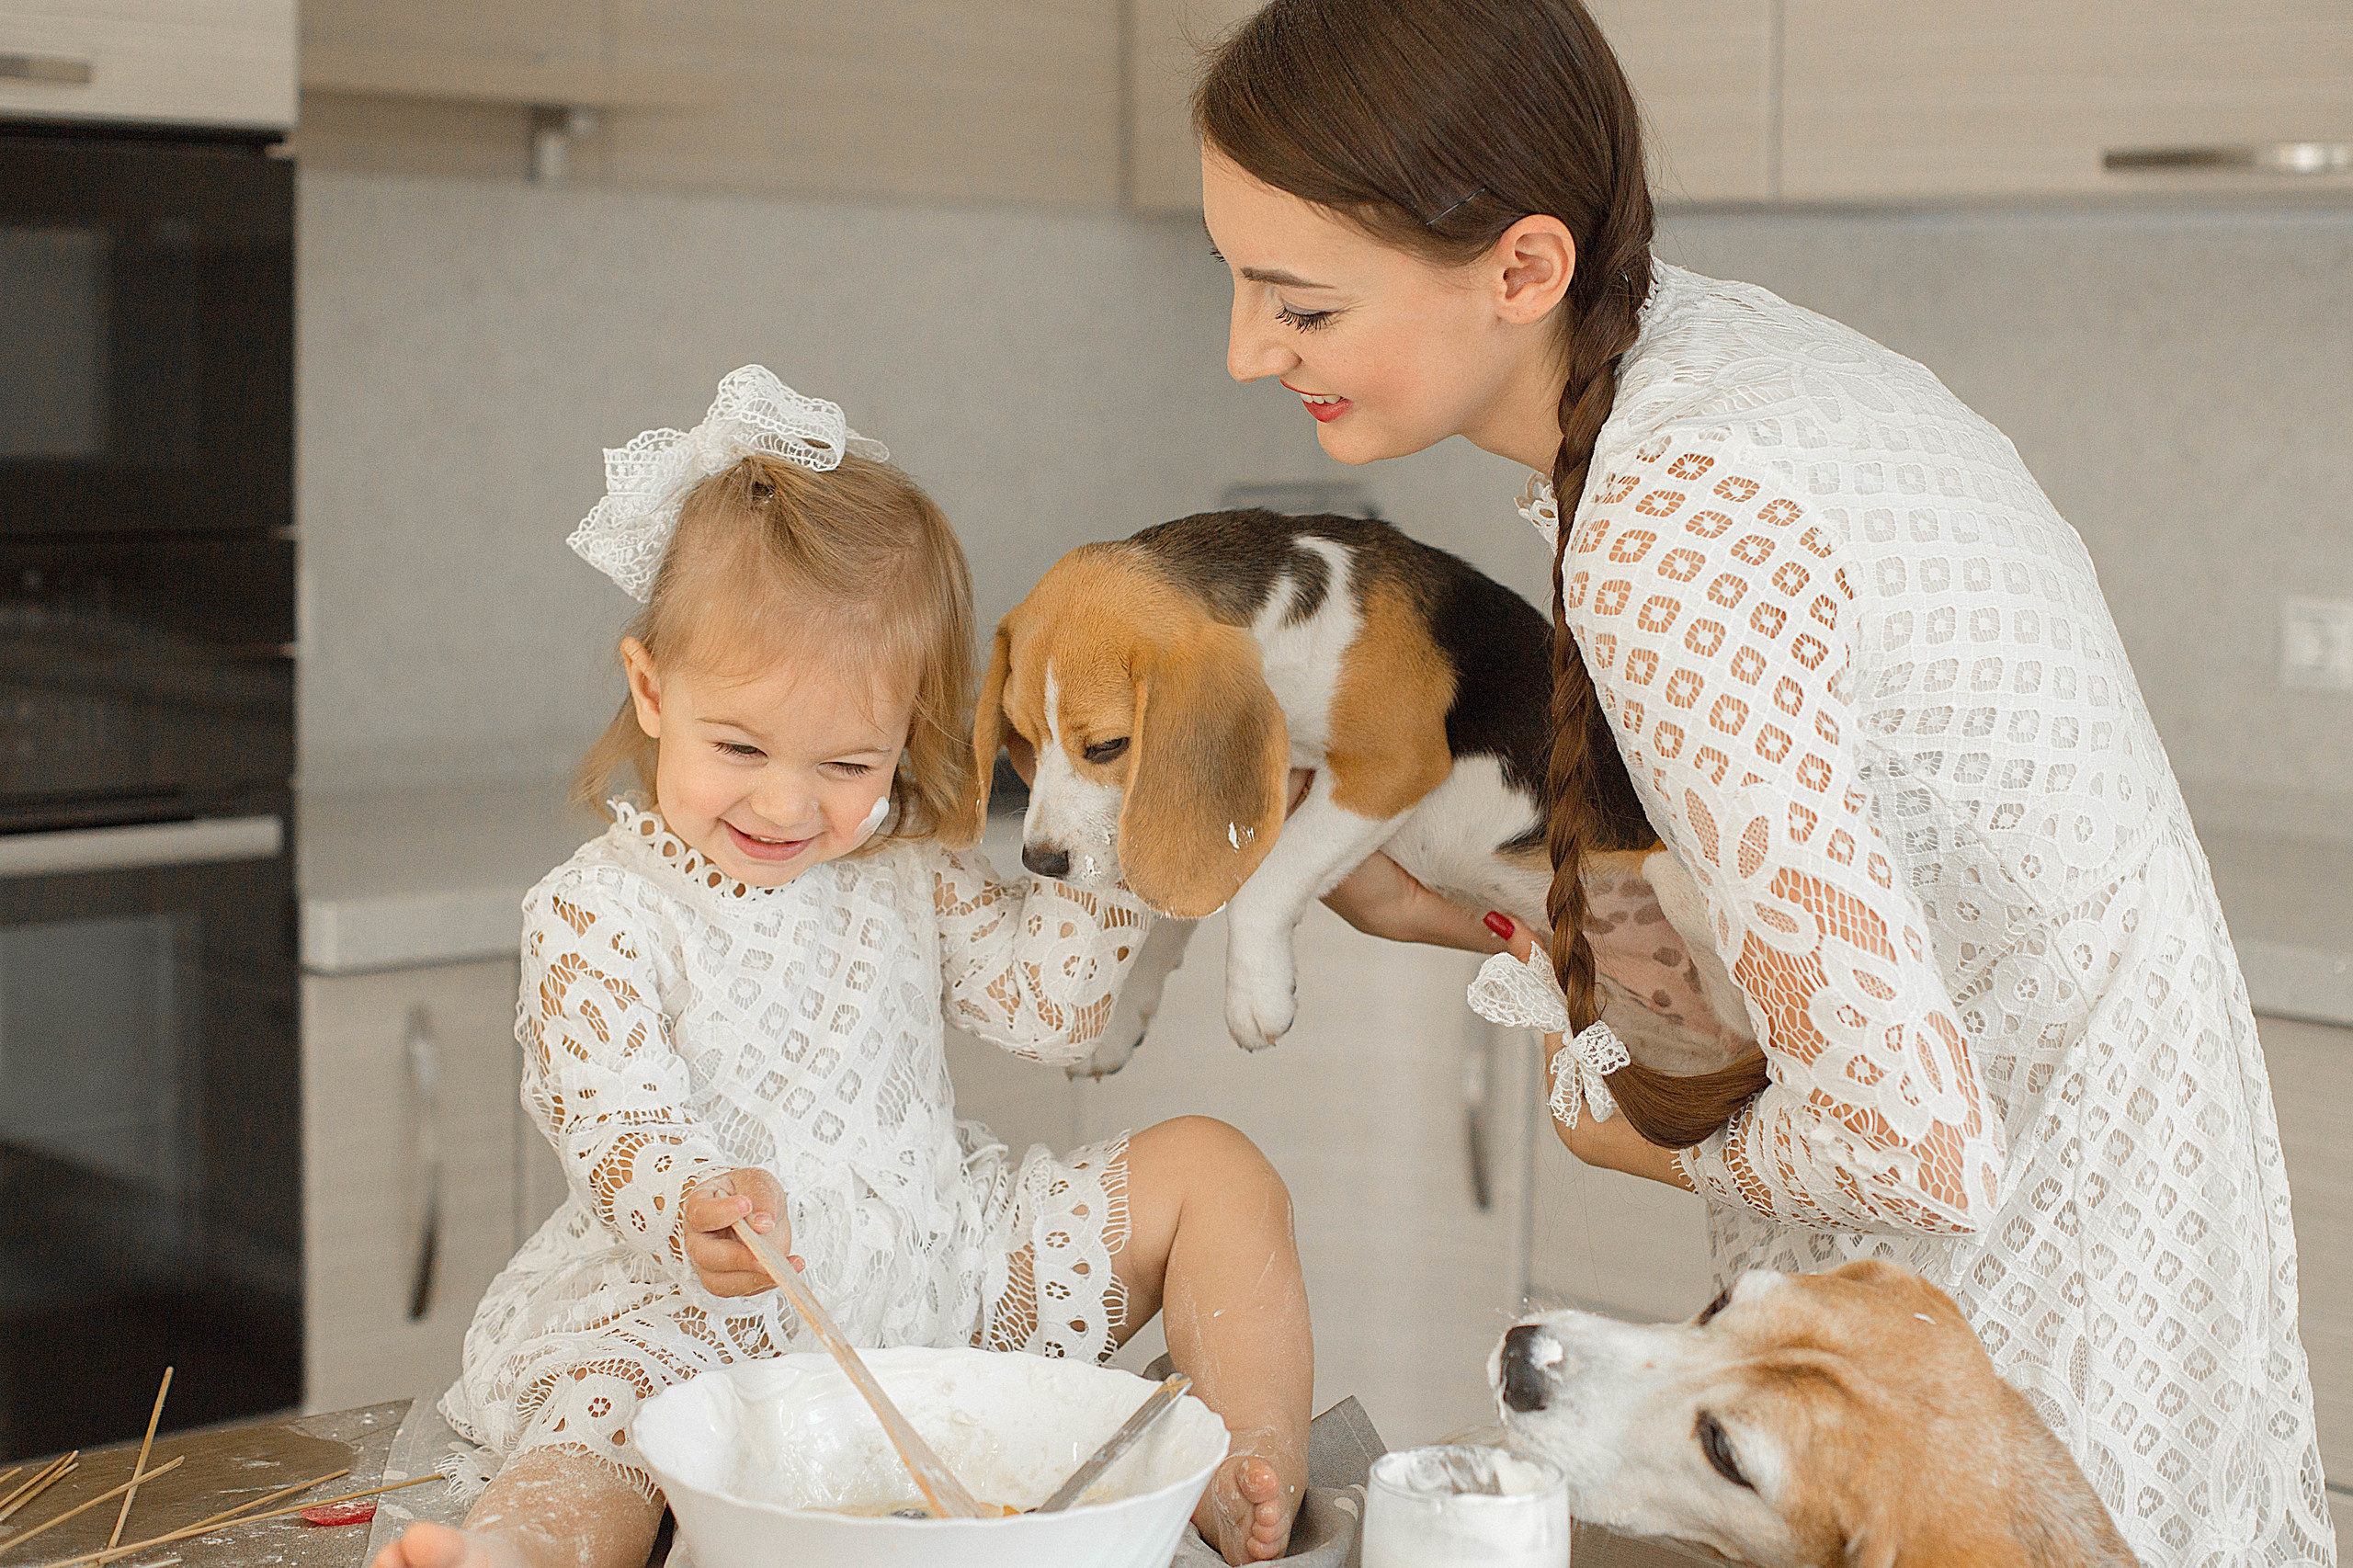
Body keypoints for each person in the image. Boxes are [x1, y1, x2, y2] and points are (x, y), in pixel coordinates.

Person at [1193, 3, 2333, 1562]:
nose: (1248, 350)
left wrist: (1639, 1140)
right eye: (1235, 280)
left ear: (1525, 271)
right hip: (2108, 1160)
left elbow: (1915, 1145)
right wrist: (1485, 915)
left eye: (1298, 303)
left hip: (2011, 1271)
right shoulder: (1691, 350)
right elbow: (1784, 901)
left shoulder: (1676, 526)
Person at [370, 368, 1309, 1568]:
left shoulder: (902, 870)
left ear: (907, 726)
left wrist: (1122, 816)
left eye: (846, 761)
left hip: (936, 1274)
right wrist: (692, 1204)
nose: (785, 799)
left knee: (1215, 1170)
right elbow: (616, 1130)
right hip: (703, 1309)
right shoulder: (600, 911)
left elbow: (1054, 1008)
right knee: (603, 1419)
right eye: (741, 745)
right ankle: (516, 1554)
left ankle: (1240, 1456)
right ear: (652, 690)